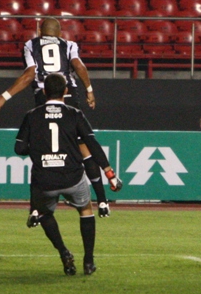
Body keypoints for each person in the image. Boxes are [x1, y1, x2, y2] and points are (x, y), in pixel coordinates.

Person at [0, 18, 111, 219]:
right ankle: (102, 201)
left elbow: (29, 75)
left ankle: (35, 209)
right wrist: (89, 90)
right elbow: (79, 66)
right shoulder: (69, 45)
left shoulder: (30, 45)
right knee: (83, 147)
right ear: (59, 33)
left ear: (39, 31)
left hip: (45, 97)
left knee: (43, 149)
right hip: (68, 96)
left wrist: (4, 97)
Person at [15, 73, 122, 276]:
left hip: (45, 180)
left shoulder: (32, 115)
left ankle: (64, 252)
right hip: (72, 176)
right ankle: (88, 260)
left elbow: (19, 149)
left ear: (44, 91)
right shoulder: (75, 114)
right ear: (66, 91)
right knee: (85, 210)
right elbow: (92, 145)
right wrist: (109, 172)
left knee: (45, 213)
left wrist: (38, 149)